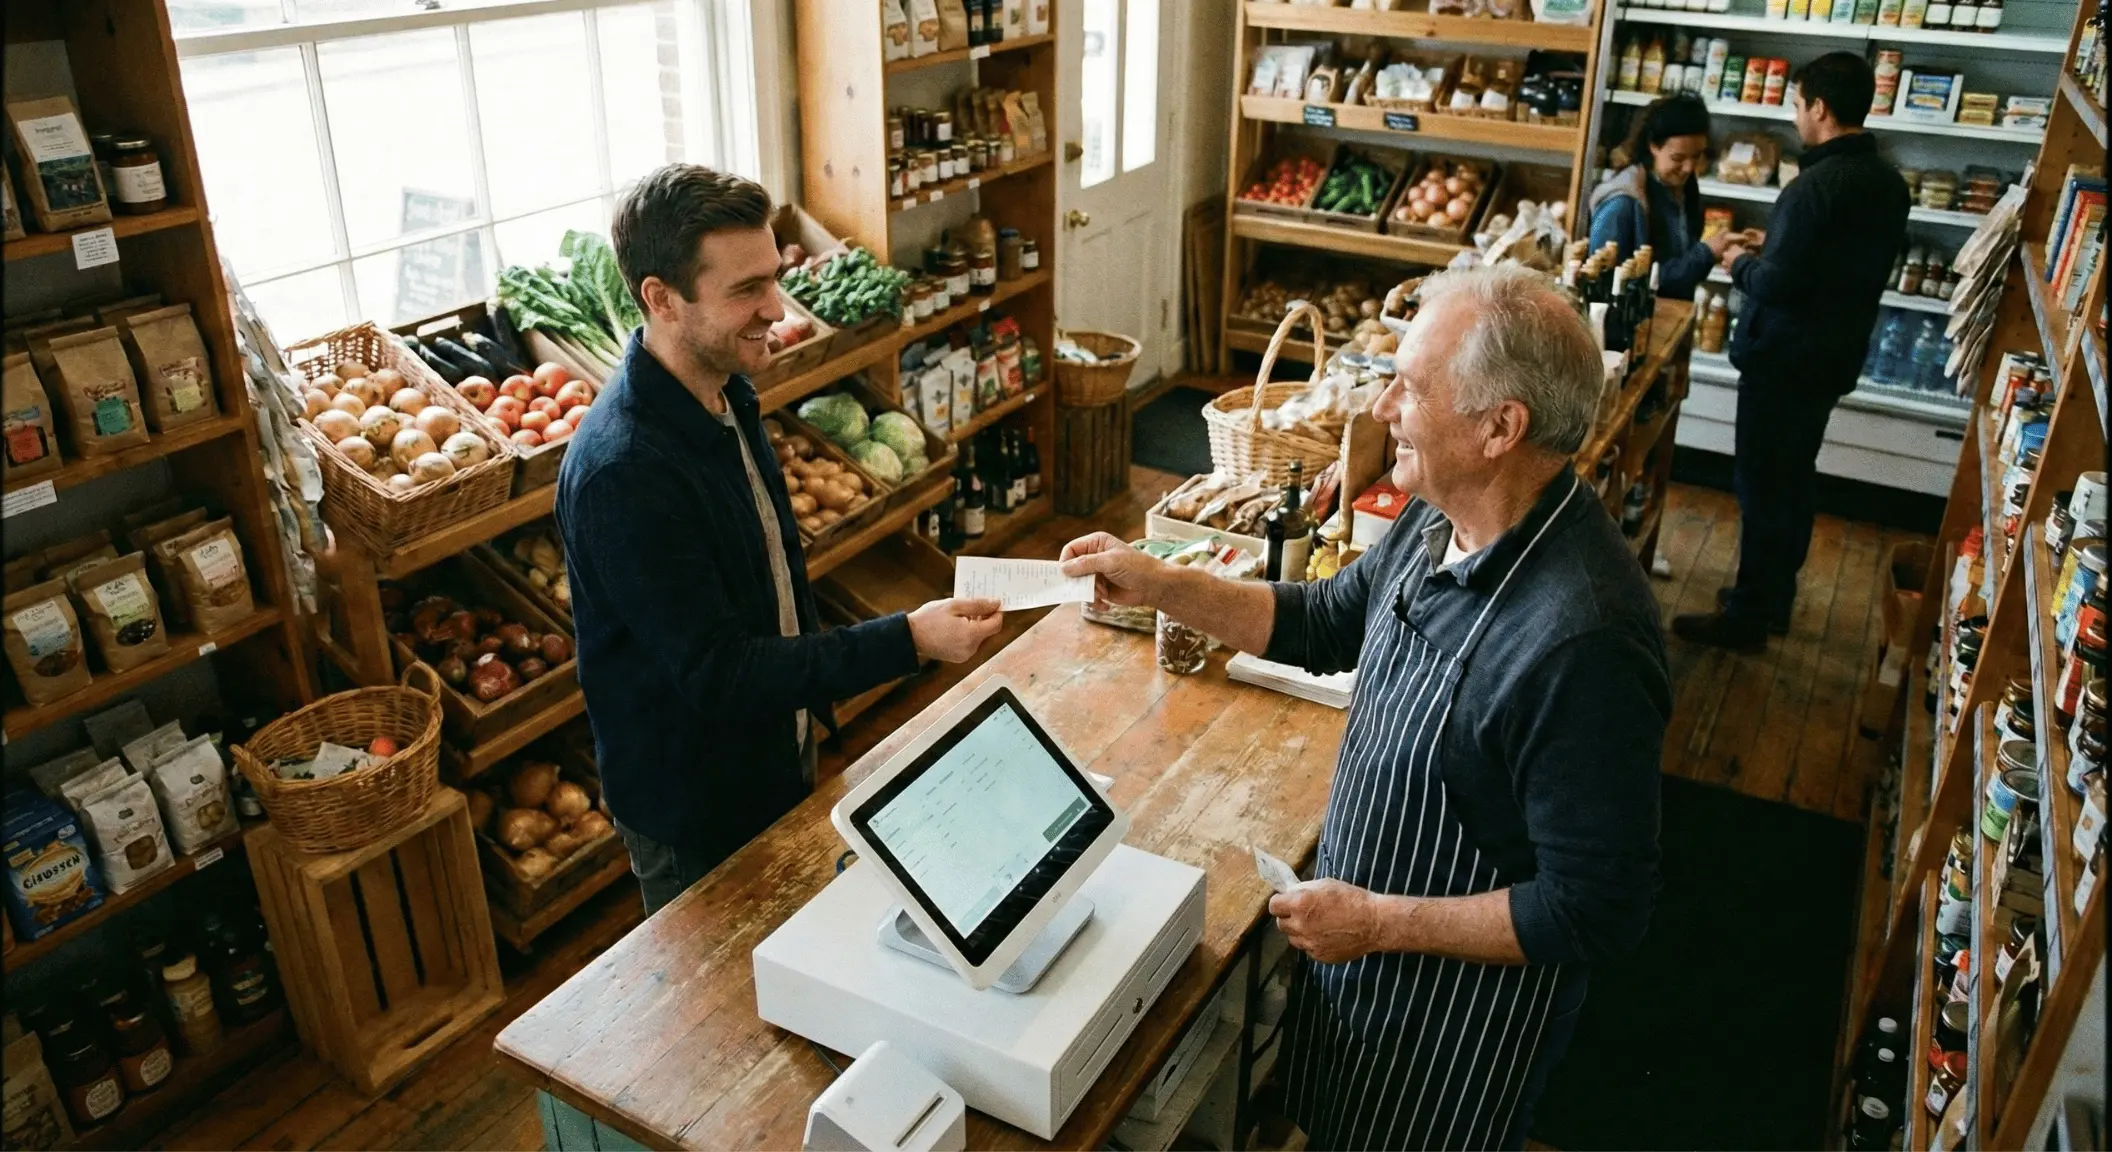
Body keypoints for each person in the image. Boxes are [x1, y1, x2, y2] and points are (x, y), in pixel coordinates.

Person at [1061, 265, 1670, 1150]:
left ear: (1501, 427)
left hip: (1458, 1024)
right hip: (1360, 957)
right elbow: (1322, 621)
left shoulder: (1584, 642)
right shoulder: (1438, 519)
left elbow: (1596, 909)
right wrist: (1157, 581)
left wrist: (1381, 920)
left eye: (1412, 388)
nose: (1384, 406)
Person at [556, 165, 1004, 915]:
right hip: (695, 804)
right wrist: (909, 641)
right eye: (745, 291)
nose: (775, 306)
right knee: (720, 1014)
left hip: (767, 755)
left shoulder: (727, 388)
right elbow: (720, 674)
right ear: (660, 299)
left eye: (773, 277)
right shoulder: (624, 471)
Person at [1674, 52, 1910, 651]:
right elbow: (1830, 267)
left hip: (1782, 361)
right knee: (1794, 481)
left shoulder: (1812, 187)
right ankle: (1773, 597)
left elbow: (1780, 287)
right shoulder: (1886, 182)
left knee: (1762, 488)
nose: (1797, 115)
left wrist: (1738, 262)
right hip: (1831, 358)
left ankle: (1748, 616)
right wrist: (1773, 245)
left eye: (1799, 104)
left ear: (1820, 108)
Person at [1586, 92, 1746, 299]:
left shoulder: (1685, 187)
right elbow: (1610, 287)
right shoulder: (1622, 204)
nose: (1689, 168)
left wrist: (1716, 251)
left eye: (1696, 156)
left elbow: (1680, 273)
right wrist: (1704, 254)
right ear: (1653, 146)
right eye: (1678, 157)